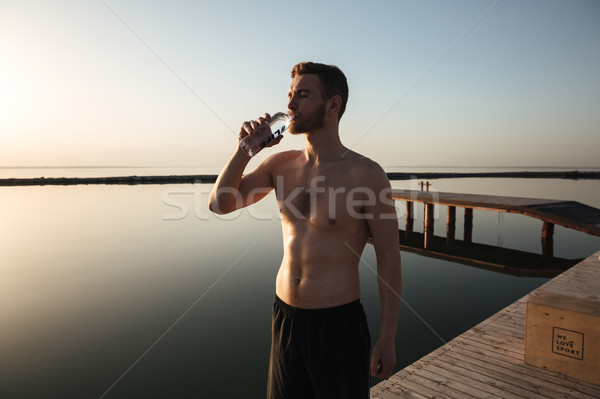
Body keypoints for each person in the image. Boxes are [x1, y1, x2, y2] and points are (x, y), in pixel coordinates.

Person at [209, 62, 402, 399]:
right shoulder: (279, 165)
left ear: (333, 104)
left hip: (338, 327)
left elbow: (388, 259)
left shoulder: (366, 174)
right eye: (289, 95)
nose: (290, 104)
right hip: (286, 319)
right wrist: (245, 150)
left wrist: (388, 336)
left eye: (302, 94)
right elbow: (220, 204)